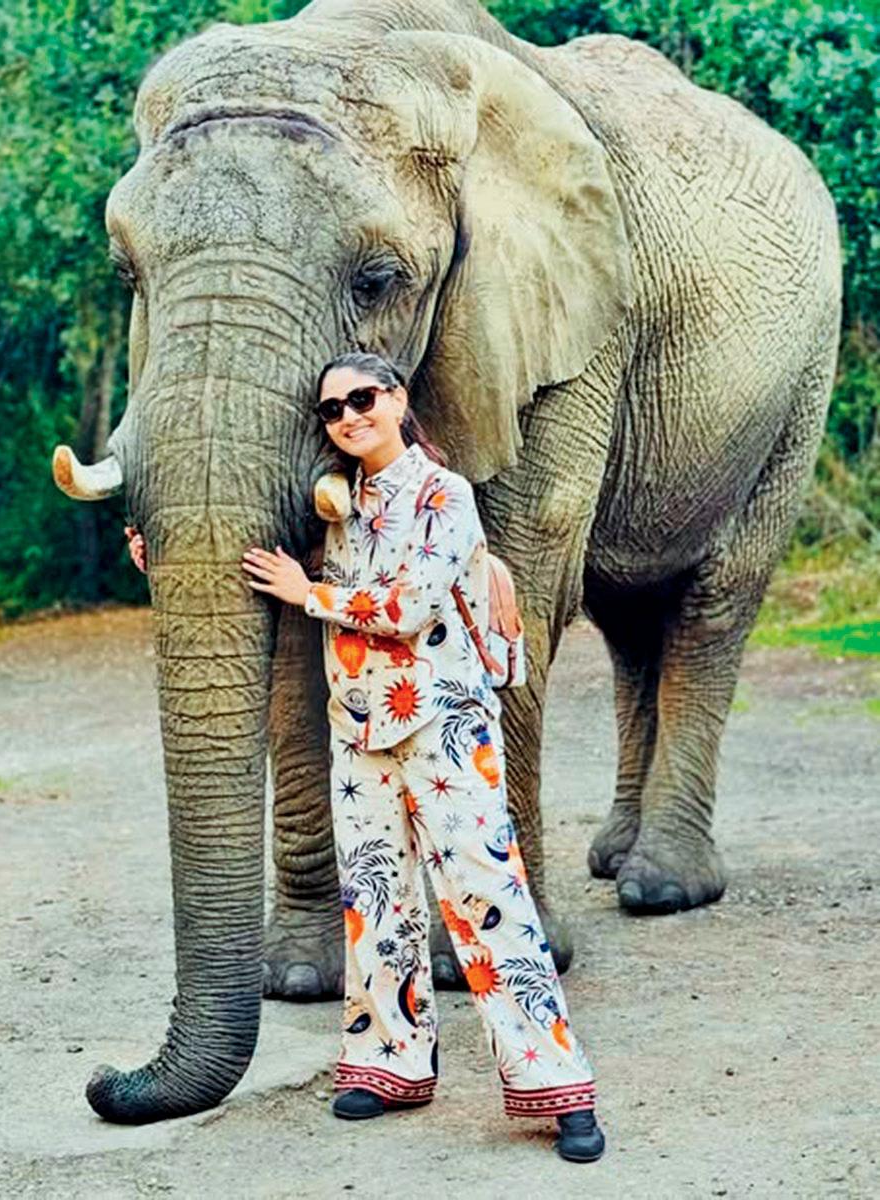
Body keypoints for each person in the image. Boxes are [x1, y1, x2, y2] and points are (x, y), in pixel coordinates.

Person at [125, 351, 605, 1163]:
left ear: (397, 399)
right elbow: (252, 563)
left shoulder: (445, 495)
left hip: (445, 728)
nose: (348, 416)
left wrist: (307, 593)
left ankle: (558, 1087)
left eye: (362, 399)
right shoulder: (332, 507)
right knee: (377, 905)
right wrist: (163, 547)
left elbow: (409, 606)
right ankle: (390, 1064)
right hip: (358, 734)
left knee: (487, 901)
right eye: (332, 409)